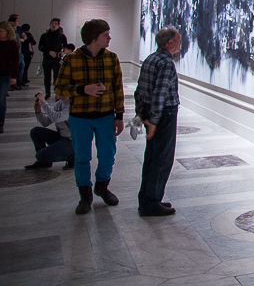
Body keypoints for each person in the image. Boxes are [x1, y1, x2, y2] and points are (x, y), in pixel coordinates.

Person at [54, 19, 124, 215]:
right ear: (94, 37)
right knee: (82, 157)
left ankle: (102, 186)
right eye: (105, 35)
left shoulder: (112, 59)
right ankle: (85, 195)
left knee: (107, 155)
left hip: (105, 116)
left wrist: (119, 115)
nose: (109, 38)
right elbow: (59, 89)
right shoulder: (71, 60)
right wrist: (83, 89)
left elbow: (117, 89)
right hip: (80, 117)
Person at [135, 26, 182, 217]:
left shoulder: (151, 59)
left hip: (151, 113)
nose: (180, 43)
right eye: (178, 40)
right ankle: (152, 202)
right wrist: (154, 122)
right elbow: (160, 94)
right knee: (162, 159)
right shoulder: (166, 63)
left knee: (152, 157)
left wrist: (142, 114)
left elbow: (140, 90)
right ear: (170, 43)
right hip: (164, 116)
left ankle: (147, 199)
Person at [25, 91, 75, 170]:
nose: (55, 92)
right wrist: (38, 111)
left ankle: (73, 157)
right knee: (36, 132)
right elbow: (45, 123)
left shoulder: (73, 104)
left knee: (41, 155)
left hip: (72, 141)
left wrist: (43, 102)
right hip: (62, 137)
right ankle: (44, 163)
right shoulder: (59, 103)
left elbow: (56, 117)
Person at [39, 18, 68, 98]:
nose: (54, 25)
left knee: (57, 78)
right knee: (47, 77)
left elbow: (65, 46)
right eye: (52, 23)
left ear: (58, 25)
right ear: (50, 24)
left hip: (57, 59)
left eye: (56, 24)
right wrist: (48, 51)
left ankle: (56, 94)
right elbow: (40, 47)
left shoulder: (62, 36)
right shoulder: (44, 35)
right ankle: (47, 93)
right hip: (47, 58)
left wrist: (62, 52)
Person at [0, 21, 20, 133]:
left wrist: (14, 77)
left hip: (5, 74)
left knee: (1, 98)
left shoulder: (12, 44)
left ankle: (0, 121)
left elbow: (15, 61)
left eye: (1, 31)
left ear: (7, 32)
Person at [9, 14, 26, 87]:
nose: (18, 22)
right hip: (11, 53)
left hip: (19, 52)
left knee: (21, 66)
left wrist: (21, 39)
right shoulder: (8, 28)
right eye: (17, 20)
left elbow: (24, 36)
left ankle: (18, 82)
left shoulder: (18, 30)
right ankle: (12, 83)